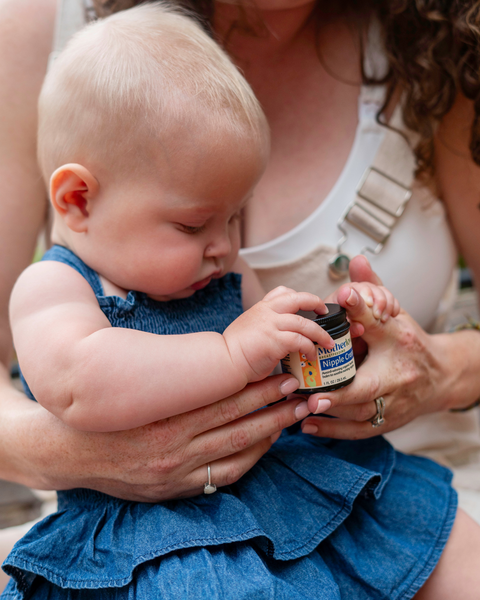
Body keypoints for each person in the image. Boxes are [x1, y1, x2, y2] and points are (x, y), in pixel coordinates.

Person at [0, 0, 479, 596]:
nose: (225, 247)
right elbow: (79, 384)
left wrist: (340, 337)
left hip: (286, 480)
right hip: (160, 533)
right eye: (194, 225)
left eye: (235, 217)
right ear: (77, 200)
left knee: (439, 539)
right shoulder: (56, 287)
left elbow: (279, 345)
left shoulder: (221, 268)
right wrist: (230, 353)